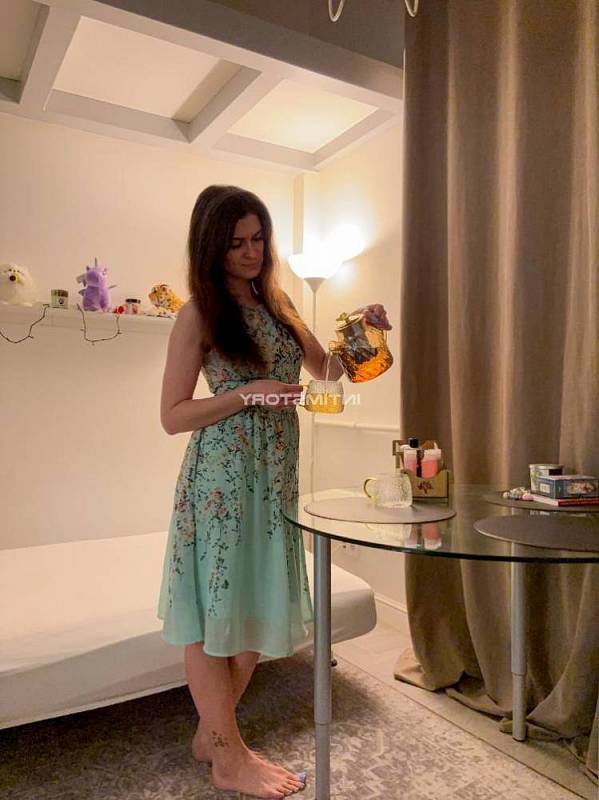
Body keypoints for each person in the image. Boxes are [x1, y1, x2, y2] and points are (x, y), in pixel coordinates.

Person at [157, 185, 391, 799]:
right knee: (214, 613)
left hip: (275, 480)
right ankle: (229, 756)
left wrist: (363, 332)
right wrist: (247, 393)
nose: (250, 252)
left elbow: (329, 372)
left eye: (258, 238)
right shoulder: (199, 313)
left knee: (255, 612)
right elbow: (173, 415)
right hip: (223, 481)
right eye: (235, 242)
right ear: (211, 247)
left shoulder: (279, 303)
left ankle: (213, 736)